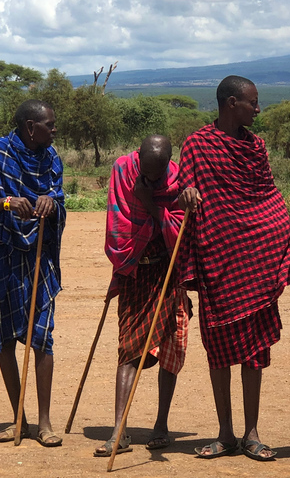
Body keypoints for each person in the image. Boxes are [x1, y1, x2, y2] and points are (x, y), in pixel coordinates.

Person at [177, 75, 290, 461]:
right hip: (218, 261)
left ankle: (252, 433)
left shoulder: (256, 146)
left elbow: (266, 194)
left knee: (254, 351)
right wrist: (189, 194)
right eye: (253, 102)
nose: (258, 109)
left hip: (253, 263)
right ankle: (225, 433)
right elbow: (183, 190)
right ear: (232, 103)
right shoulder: (197, 145)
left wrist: (282, 231)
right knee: (218, 351)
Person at [0, 99, 66, 448]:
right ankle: (18, 419)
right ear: (30, 126)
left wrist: (50, 204)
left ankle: (45, 423)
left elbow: (58, 197)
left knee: (42, 336)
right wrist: (8, 202)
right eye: (49, 125)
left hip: (40, 255)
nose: (55, 130)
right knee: (7, 338)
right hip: (3, 254)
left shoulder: (52, 158)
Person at [94, 134, 191, 457]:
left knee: (170, 347)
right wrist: (149, 211)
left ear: (167, 165)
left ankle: (161, 425)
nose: (151, 179)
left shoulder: (179, 180)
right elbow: (118, 224)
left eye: (157, 174)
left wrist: (151, 203)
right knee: (129, 349)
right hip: (135, 272)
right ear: (138, 158)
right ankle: (119, 430)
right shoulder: (122, 170)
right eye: (146, 172)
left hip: (167, 272)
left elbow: (179, 232)